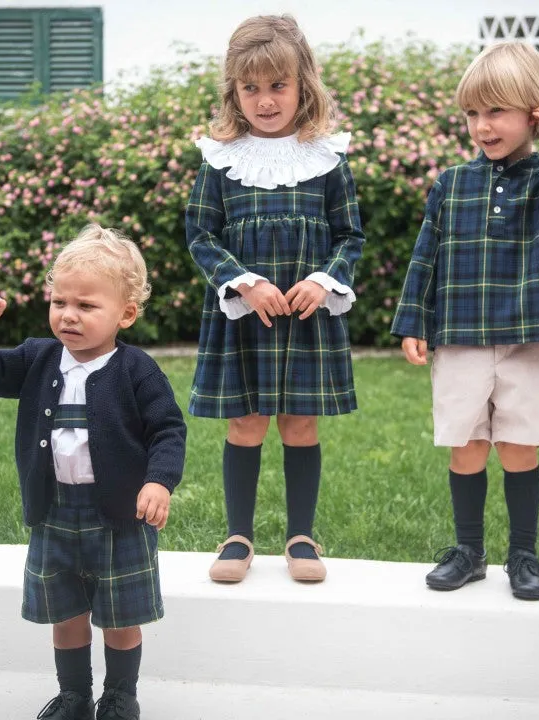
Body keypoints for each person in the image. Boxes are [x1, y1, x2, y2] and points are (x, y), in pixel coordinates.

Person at [0, 224, 186, 719]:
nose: (69, 315)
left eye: (86, 306)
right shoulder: (39, 358)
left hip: (119, 518)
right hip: (54, 512)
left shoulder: (136, 370)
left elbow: (168, 430)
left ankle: (120, 696)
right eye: (60, 302)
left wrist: (158, 481)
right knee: (68, 613)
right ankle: (74, 694)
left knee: (121, 618)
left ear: (125, 313)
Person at [391, 41, 539, 601]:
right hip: (459, 337)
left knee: (520, 448)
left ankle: (524, 555)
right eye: (473, 113)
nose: (482, 125)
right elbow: (425, 253)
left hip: (526, 336)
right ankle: (469, 551)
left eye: (496, 111)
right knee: (467, 447)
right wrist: (413, 320)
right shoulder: (451, 183)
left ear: (533, 114)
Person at [185, 14, 365, 584]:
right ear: (235, 92)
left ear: (302, 85)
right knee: (246, 426)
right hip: (246, 317)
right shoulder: (220, 159)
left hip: (307, 318)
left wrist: (324, 280)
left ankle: (301, 538)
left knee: (300, 427)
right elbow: (201, 234)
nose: (265, 100)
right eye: (251, 88)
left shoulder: (328, 158)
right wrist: (243, 281)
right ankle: (237, 537)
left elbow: (350, 236)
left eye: (277, 86)